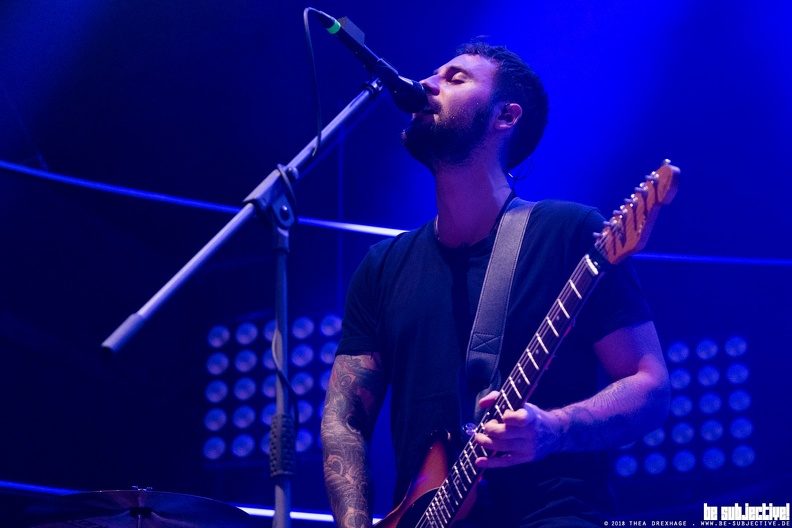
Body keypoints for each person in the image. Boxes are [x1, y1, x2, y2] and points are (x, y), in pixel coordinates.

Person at [320, 41, 671, 528]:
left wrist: (555, 429)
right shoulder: (383, 266)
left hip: (550, 513)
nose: (426, 84)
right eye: (434, 74)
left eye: (455, 78)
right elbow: (345, 417)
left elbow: (650, 385)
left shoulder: (570, 233)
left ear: (506, 116)